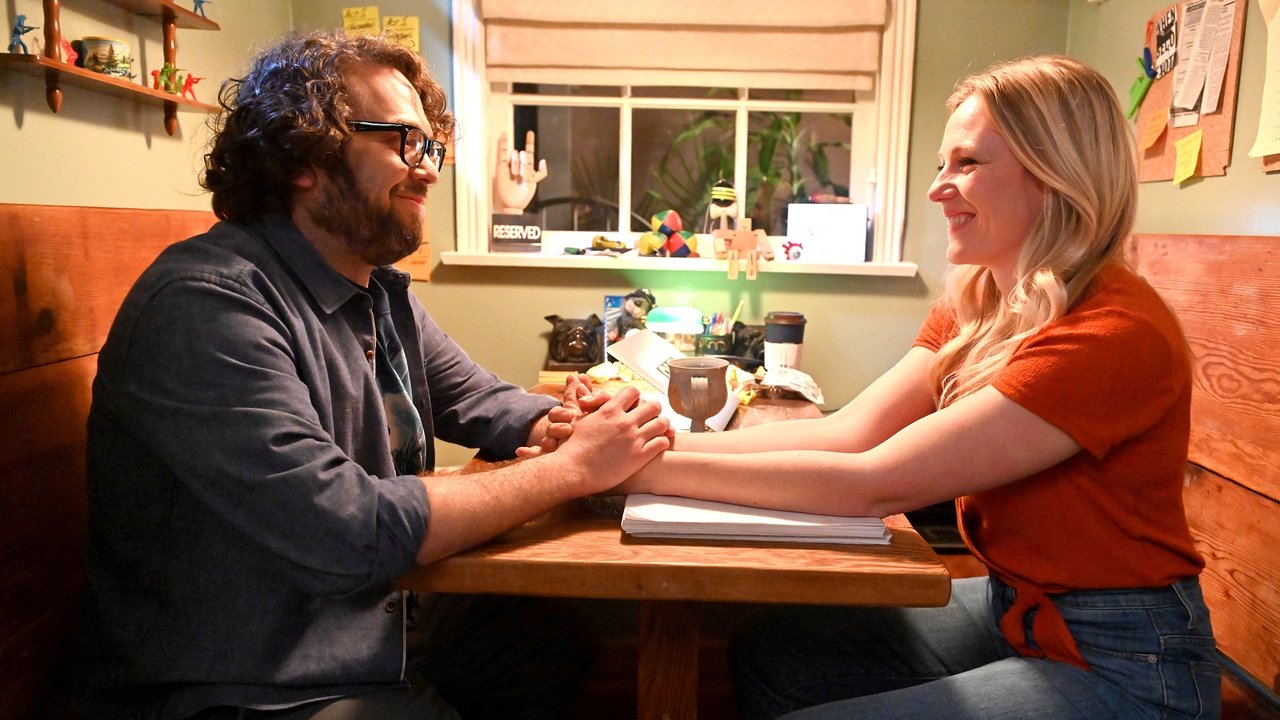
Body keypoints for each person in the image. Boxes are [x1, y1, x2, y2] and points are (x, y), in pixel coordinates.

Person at [74, 30, 670, 720]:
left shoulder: (374, 286)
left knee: (545, 642)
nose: (428, 171)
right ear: (302, 153)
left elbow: (478, 398)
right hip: (250, 680)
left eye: (431, 148)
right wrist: (571, 469)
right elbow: (345, 528)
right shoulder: (206, 305)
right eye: (404, 142)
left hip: (366, 612)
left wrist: (557, 420)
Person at [612, 56, 1219, 720]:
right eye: (940, 164)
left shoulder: (1113, 333)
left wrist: (630, 470)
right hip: (1016, 603)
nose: (937, 189)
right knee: (773, 652)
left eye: (967, 163)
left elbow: (874, 482)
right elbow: (847, 434)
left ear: (1055, 175)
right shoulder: (981, 303)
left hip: (1127, 657)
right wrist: (646, 443)